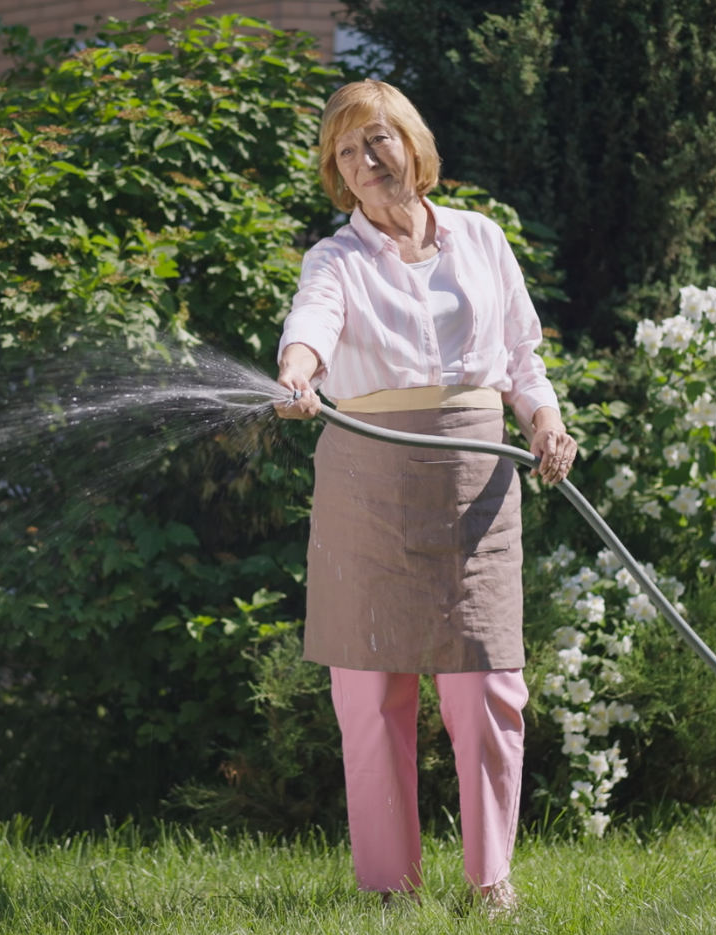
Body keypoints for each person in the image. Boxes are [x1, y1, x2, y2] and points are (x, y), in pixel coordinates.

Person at [272, 79, 578, 913]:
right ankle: (389, 891)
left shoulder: (481, 239)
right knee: (372, 694)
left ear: (411, 144)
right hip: (367, 482)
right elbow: (311, 325)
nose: (365, 161)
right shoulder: (333, 259)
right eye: (345, 151)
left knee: (487, 688)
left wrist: (547, 425)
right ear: (337, 173)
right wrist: (298, 375)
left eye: (377, 140)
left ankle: (491, 882)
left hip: (476, 482)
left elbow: (523, 359)